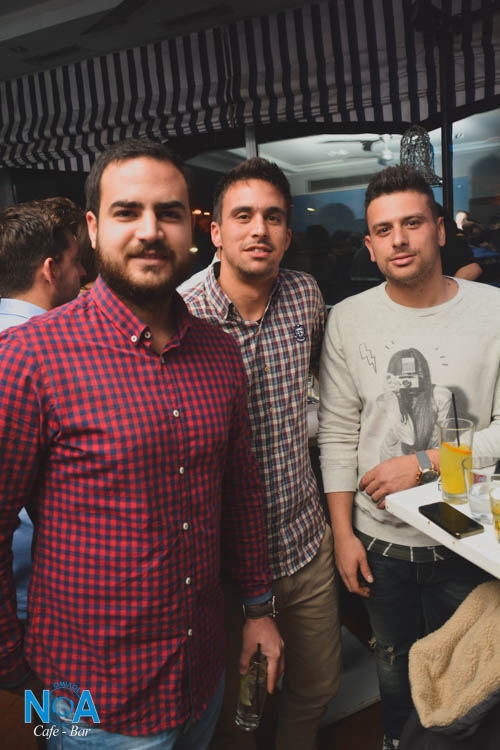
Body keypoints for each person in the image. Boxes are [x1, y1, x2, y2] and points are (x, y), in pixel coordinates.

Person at [0, 138, 283, 749]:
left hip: (200, 676)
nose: (151, 231)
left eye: (169, 213)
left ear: (191, 229)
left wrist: (259, 609)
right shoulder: (30, 357)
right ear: (94, 229)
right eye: (127, 212)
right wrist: (12, 668)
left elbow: (241, 492)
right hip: (85, 702)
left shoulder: (219, 353)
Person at [318, 165, 500, 750]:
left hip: (466, 534)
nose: (399, 239)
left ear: (440, 231)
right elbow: (338, 433)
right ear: (370, 245)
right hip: (380, 542)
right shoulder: (348, 319)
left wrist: (423, 462)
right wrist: (343, 535)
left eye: (413, 223)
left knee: (465, 676)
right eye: (384, 229)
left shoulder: (494, 311)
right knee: (393, 663)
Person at [183, 157, 341, 750]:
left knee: (317, 686)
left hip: (304, 544)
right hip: (222, 567)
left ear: (288, 233)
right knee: (233, 713)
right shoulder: (183, 313)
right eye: (243, 216)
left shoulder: (305, 295)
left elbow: (322, 384)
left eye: (273, 217)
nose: (259, 230)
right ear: (216, 232)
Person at [0, 201, 86, 626]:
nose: (83, 273)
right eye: (76, 262)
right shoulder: (53, 360)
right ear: (51, 270)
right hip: (32, 598)